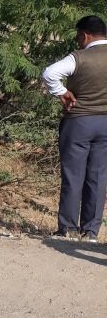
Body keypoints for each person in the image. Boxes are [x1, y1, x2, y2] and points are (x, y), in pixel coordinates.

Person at [42, 15, 107, 243]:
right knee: (98, 177)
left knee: (73, 175)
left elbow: (49, 73)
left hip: (79, 121)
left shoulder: (79, 57)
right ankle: (90, 233)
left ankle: (67, 228)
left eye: (79, 37)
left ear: (85, 35)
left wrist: (62, 92)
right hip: (105, 124)